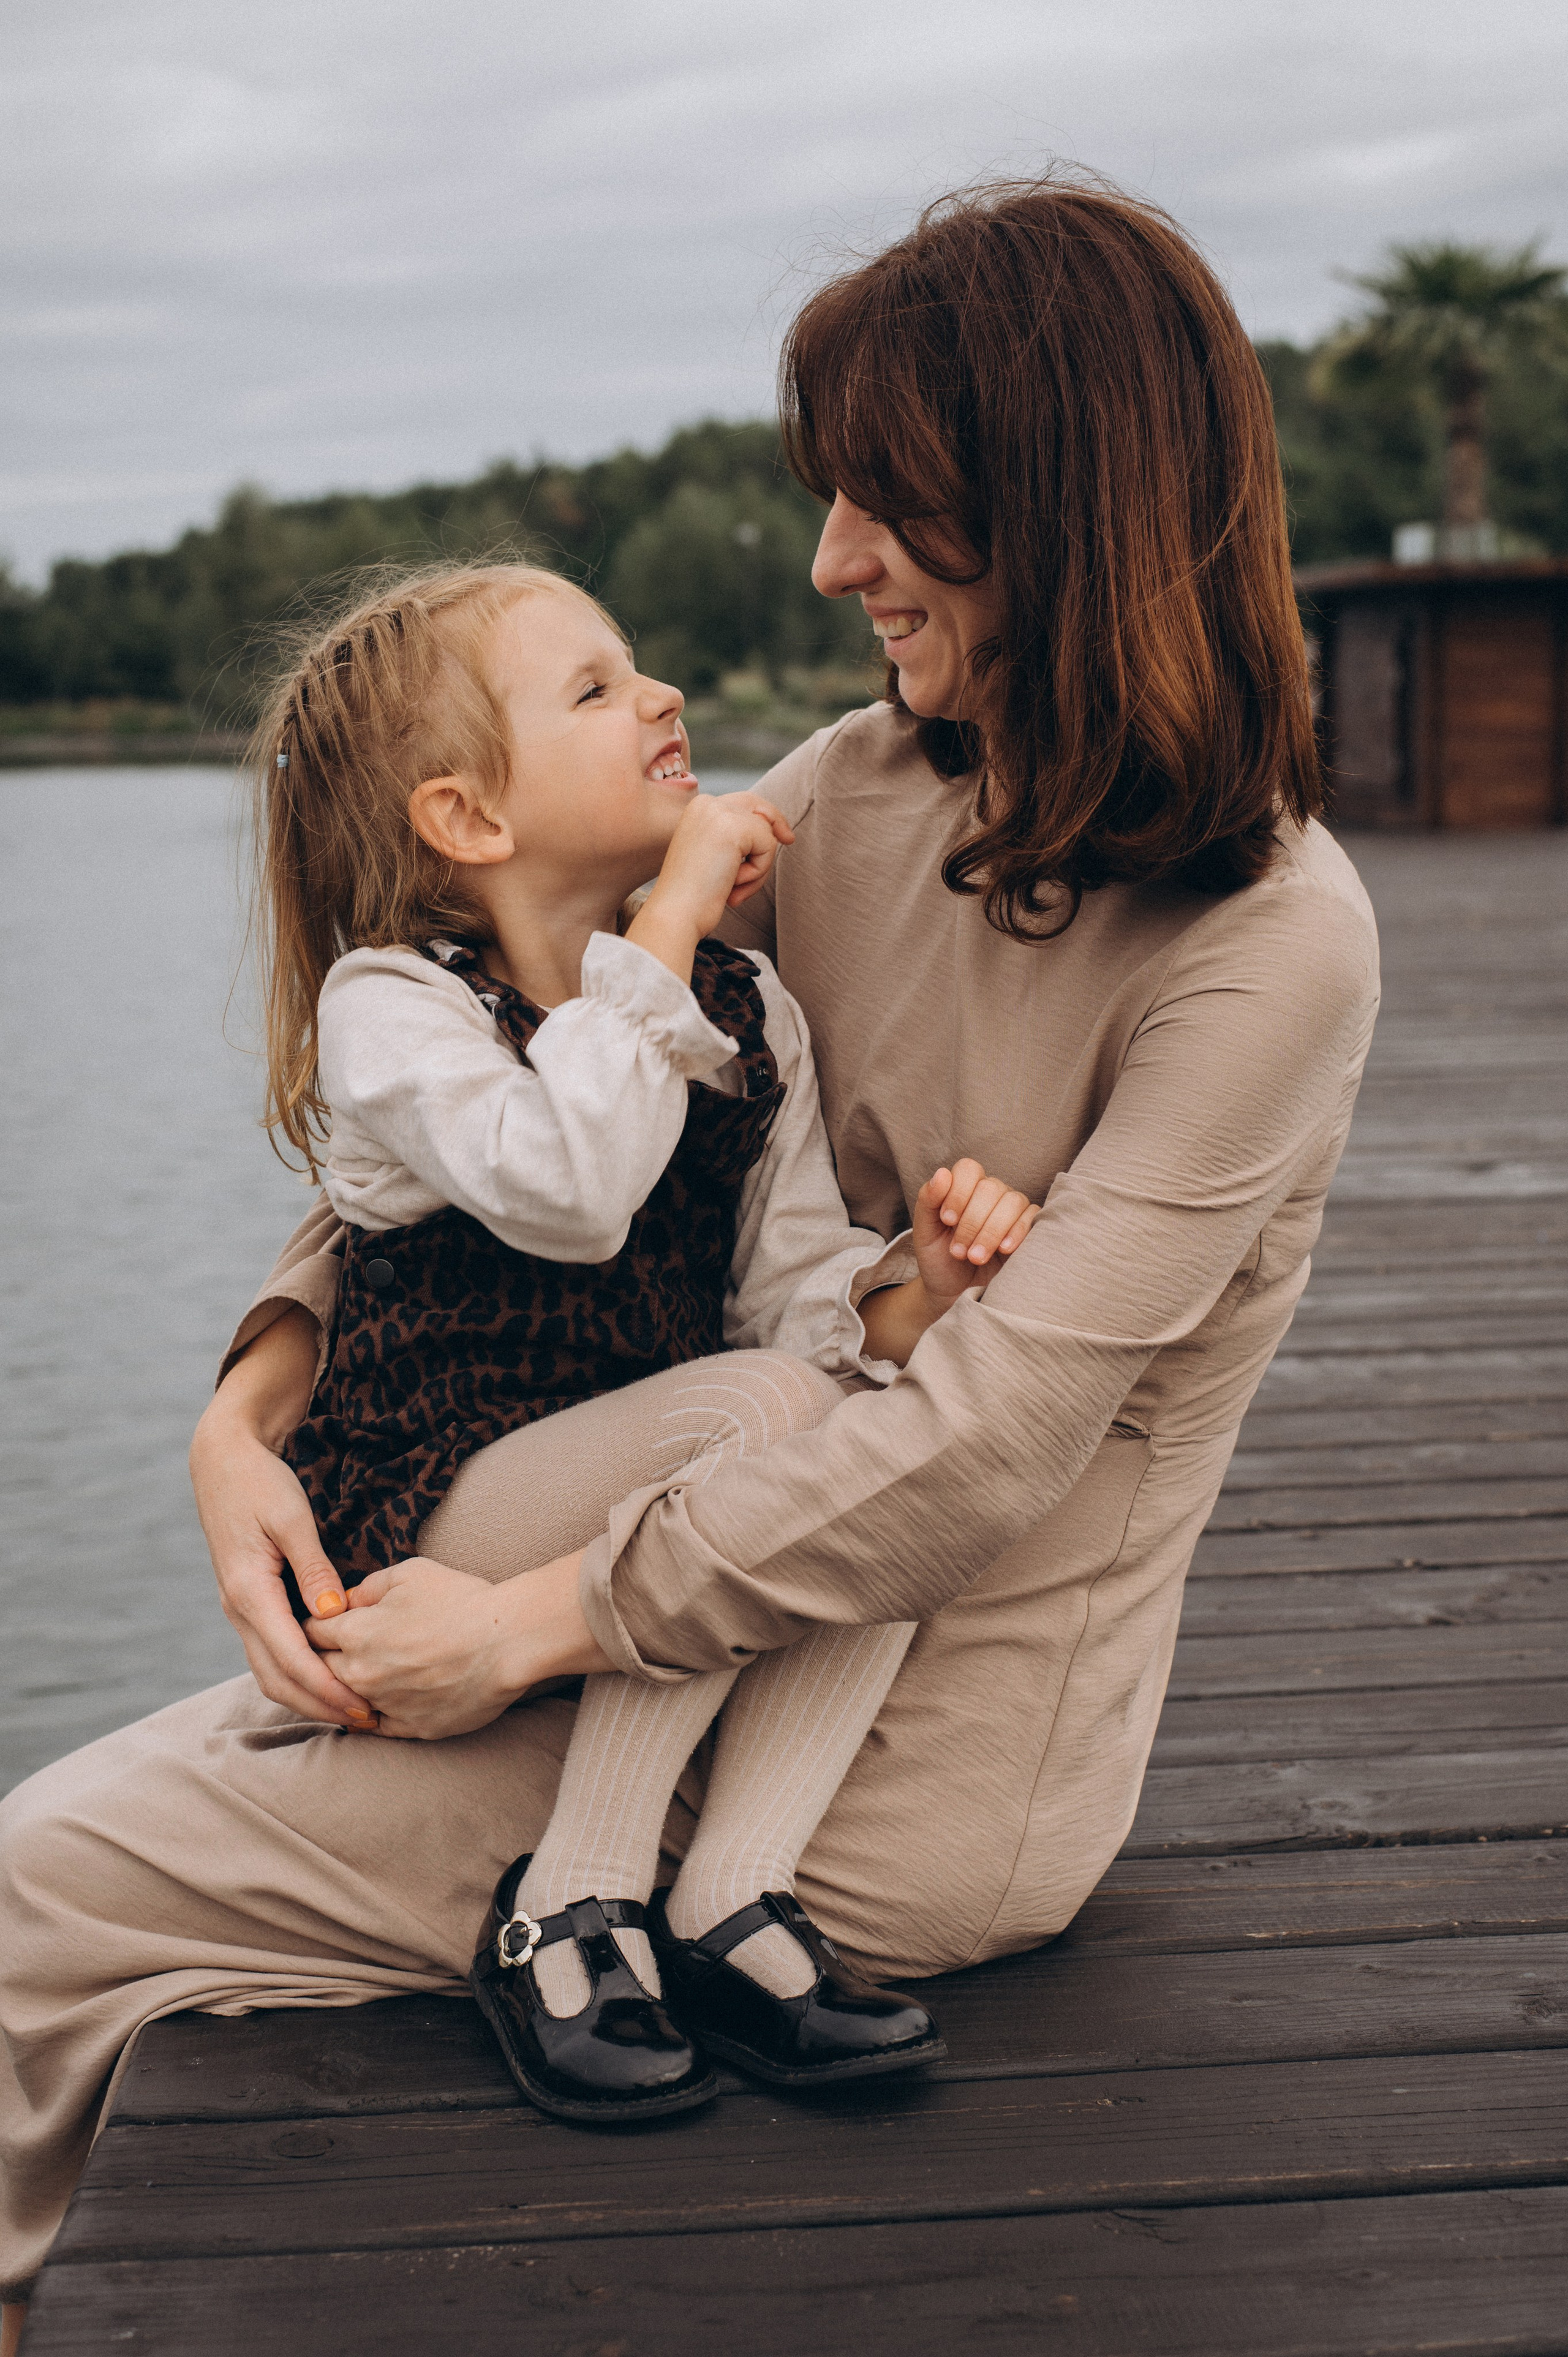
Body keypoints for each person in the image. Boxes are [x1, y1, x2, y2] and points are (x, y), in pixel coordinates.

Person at [0, 174, 1379, 2329]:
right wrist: (247, 1397)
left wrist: (531, 1621)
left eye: (882, 503)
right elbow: (501, 1088)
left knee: (32, 1899)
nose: (830, 560)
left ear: (1058, 509)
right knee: (71, 1855)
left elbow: (986, 1443)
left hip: (880, 1791)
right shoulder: (853, 798)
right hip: (655, 1620)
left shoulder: (1270, 948)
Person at [240, 557, 1036, 2122]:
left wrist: (918, 1292)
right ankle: (572, 1894)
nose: (660, 696)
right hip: (430, 1514)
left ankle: (730, 1897)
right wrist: (667, 914)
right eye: (596, 691)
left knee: (885, 1463)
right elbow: (575, 1189)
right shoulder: (397, 1005)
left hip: (637, 1500)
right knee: (758, 1417)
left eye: (637, 664)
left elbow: (790, 1302)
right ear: (466, 819)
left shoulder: (744, 1009)